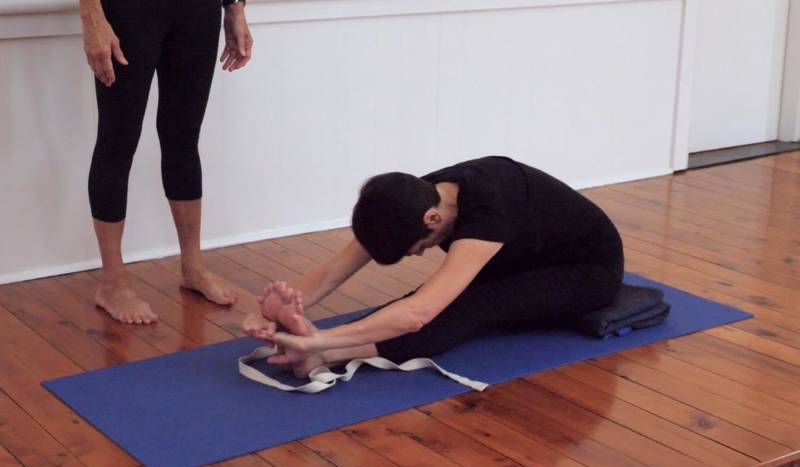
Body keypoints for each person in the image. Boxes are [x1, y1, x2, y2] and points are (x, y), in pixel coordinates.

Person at [243, 156, 624, 376]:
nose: (420, 254)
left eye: (417, 248)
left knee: (466, 306)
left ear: (431, 220)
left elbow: (418, 314)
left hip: (585, 270)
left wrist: (323, 340)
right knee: (430, 299)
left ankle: (324, 356)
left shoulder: (488, 210)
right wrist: (281, 312)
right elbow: (331, 271)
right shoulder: (405, 199)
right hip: (522, 257)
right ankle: (320, 349)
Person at [76, 0, 253, 324]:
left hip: (197, 0)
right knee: (118, 139)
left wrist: (234, 4)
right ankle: (112, 284)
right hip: (130, 0)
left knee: (184, 136)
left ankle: (193, 268)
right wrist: (92, 16)